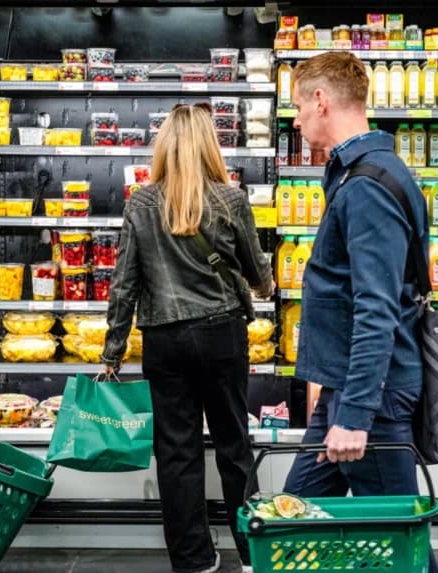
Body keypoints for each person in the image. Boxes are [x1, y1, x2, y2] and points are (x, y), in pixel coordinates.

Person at [282, 52, 438, 572]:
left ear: (321, 101)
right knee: (290, 520)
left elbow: (377, 308)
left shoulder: (368, 184)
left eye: (298, 109)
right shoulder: (359, 174)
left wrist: (354, 416)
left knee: (400, 547)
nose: (297, 121)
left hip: (370, 398)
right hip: (349, 387)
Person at [101, 103, 273, 573]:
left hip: (165, 341)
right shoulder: (230, 199)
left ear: (165, 147)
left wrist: (112, 351)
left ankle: (193, 559)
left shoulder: (140, 203)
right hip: (222, 335)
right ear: (208, 146)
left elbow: (124, 284)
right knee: (235, 446)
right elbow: (258, 272)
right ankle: (252, 551)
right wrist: (262, 286)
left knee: (177, 452)